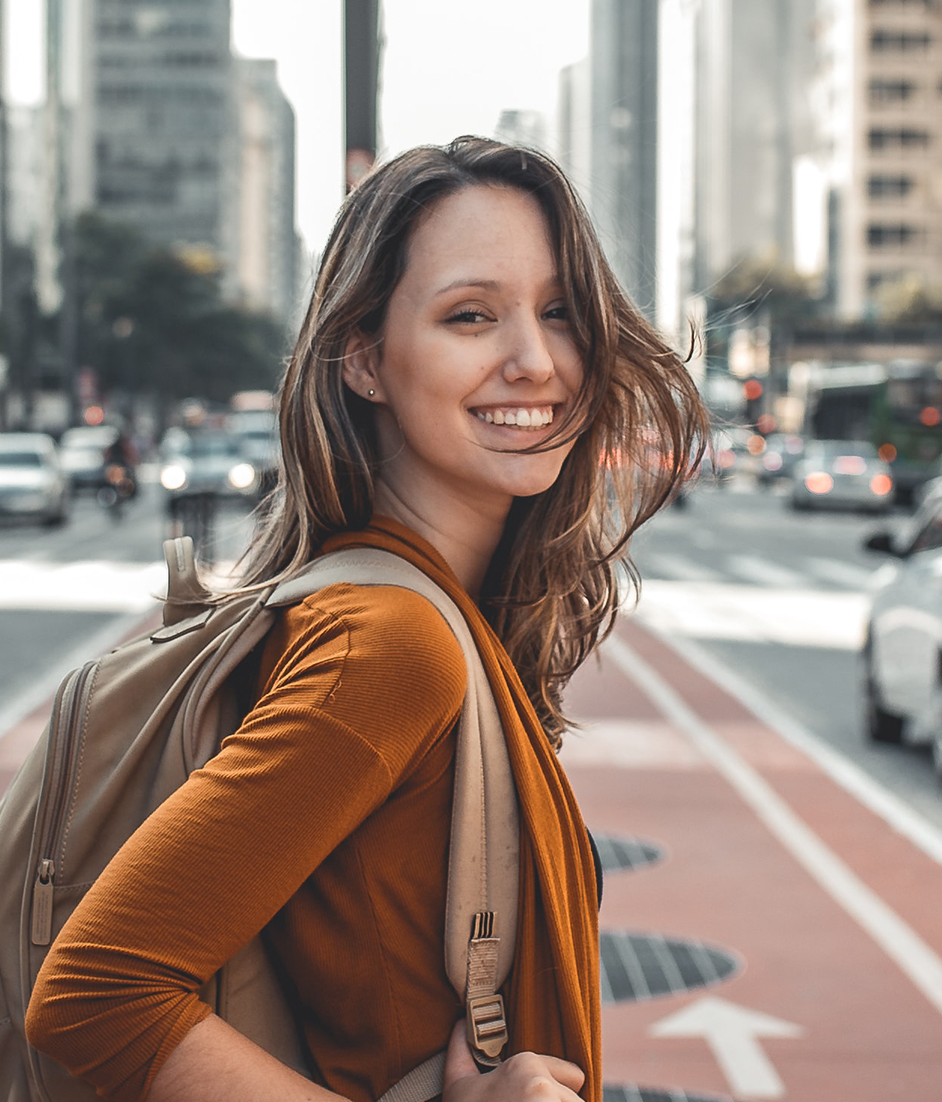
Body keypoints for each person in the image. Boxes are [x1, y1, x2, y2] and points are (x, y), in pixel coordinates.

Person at [25, 136, 709, 1102]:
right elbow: (98, 991)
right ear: (364, 359)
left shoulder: (421, 614)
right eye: (471, 315)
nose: (536, 359)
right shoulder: (391, 645)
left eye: (560, 312)